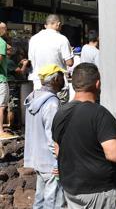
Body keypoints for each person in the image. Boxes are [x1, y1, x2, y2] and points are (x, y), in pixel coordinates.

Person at [52, 63, 116, 209]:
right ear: (97, 84)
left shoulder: (60, 113)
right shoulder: (99, 114)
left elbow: (57, 150)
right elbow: (115, 154)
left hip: (71, 189)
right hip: (98, 191)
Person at [24, 64, 66, 208]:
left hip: (37, 158)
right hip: (50, 162)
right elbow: (52, 136)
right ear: (55, 79)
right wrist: (58, 161)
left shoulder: (34, 98)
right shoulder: (52, 103)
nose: (63, 79)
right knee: (53, 202)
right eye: (61, 77)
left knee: (40, 201)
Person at [28, 14, 73, 91]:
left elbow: (31, 60)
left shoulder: (33, 39)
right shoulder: (62, 39)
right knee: (59, 103)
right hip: (57, 84)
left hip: (38, 83)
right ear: (58, 24)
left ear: (45, 25)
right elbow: (70, 62)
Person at [0, 22, 13, 139]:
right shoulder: (1, 42)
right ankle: (0, 130)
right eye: (4, 28)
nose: (6, 30)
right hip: (1, 79)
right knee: (1, 106)